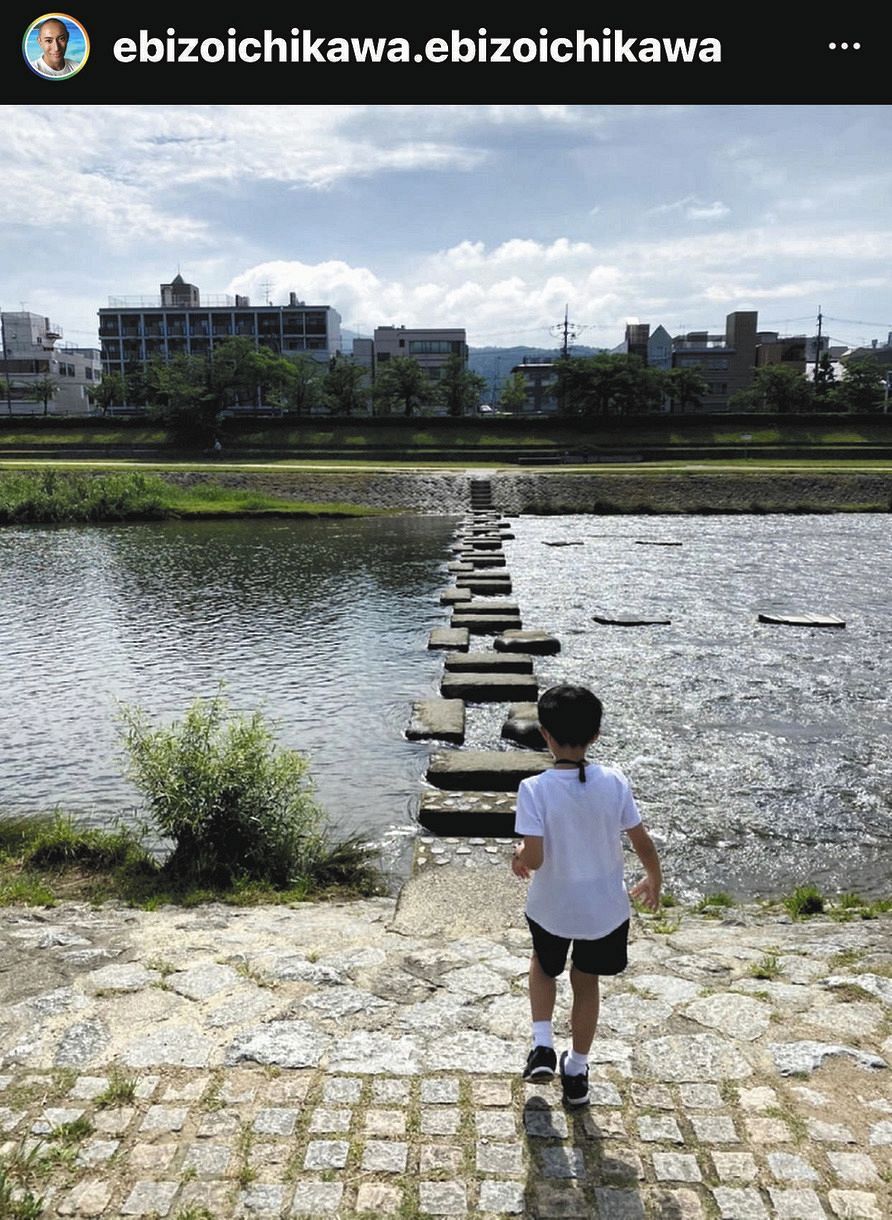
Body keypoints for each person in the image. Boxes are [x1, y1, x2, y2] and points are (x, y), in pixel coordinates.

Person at [511, 683, 662, 1106]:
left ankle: (542, 1044)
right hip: (604, 912)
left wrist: (518, 853)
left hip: (552, 907)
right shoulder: (614, 781)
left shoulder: (534, 788)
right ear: (596, 735)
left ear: (544, 734)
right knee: (586, 981)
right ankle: (576, 1069)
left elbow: (535, 860)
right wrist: (654, 879)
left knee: (543, 964)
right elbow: (641, 840)